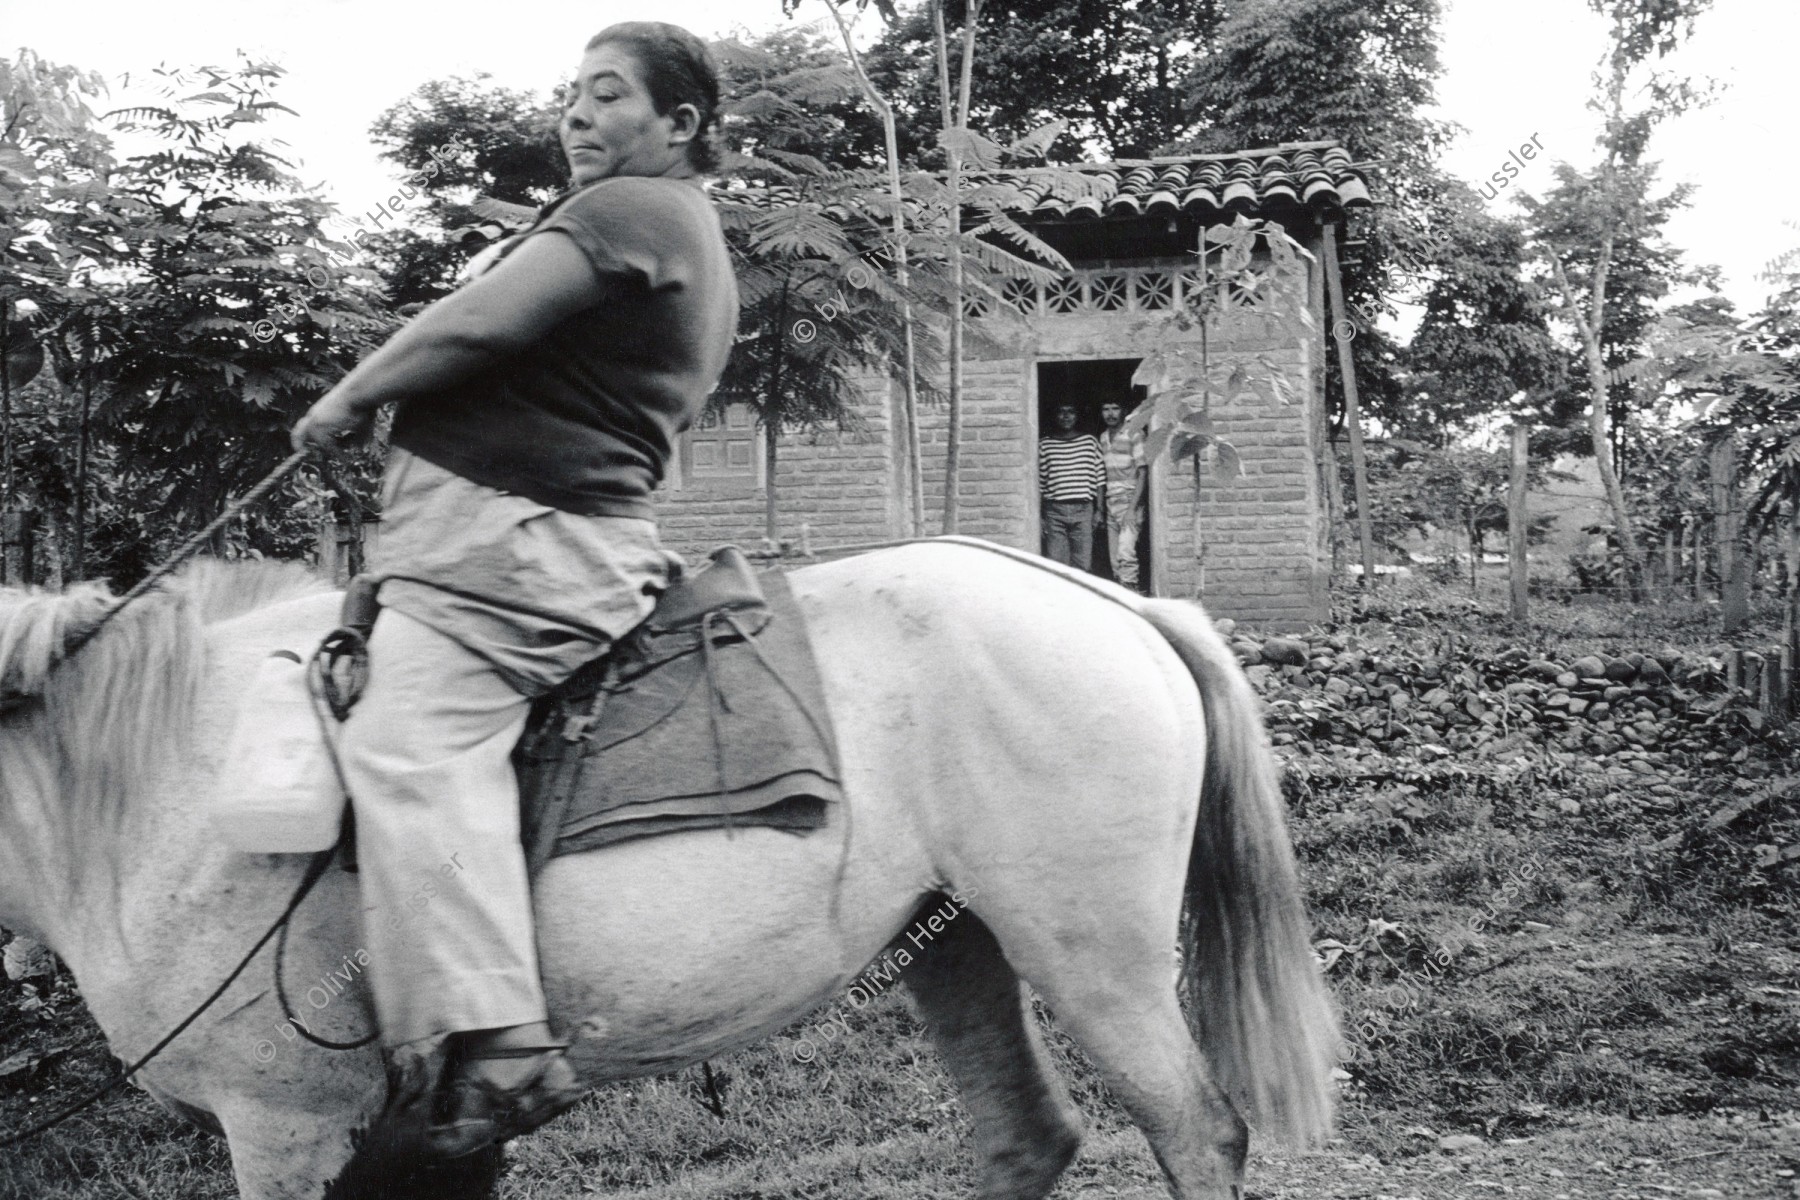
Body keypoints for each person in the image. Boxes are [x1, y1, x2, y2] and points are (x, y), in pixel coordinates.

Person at [290, 22, 738, 1158]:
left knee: (409, 742)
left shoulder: (632, 211)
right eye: (569, 98)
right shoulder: (677, 225)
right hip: (509, 540)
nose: (576, 117)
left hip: (528, 551)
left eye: (606, 96)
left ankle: (499, 1039)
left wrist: (348, 399)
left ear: (678, 126)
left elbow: (479, 320)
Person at [1037, 401, 1104, 570]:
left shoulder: (1090, 442)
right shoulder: (1045, 444)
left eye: (1071, 411)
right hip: (1054, 511)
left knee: (1083, 562)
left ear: (1077, 415)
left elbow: (1100, 478)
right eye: (1061, 411)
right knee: (1057, 563)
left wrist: (1099, 510)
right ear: (1054, 415)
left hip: (1083, 509)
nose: (1066, 416)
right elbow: (1041, 482)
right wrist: (1040, 515)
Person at [1098, 400, 1146, 591]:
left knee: (1126, 553)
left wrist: (1132, 510)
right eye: (1105, 408)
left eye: (1115, 408)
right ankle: (1125, 600)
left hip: (1129, 499)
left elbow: (1143, 472)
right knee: (1115, 560)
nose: (1110, 413)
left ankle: (1133, 599)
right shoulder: (1103, 437)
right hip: (1111, 500)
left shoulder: (1134, 433)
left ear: (1124, 410)